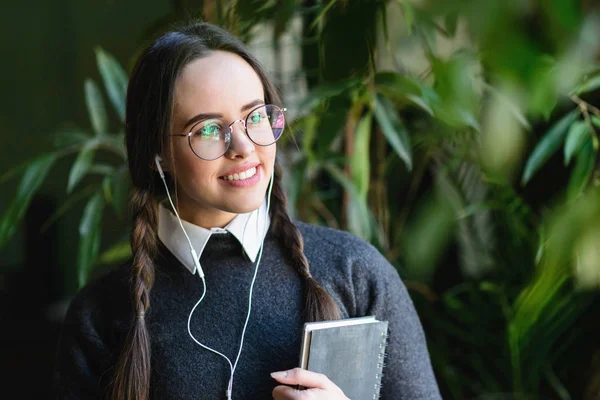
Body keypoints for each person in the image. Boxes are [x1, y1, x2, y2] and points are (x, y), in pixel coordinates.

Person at [53, 21, 442, 400]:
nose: (243, 145)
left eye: (255, 116)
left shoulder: (354, 272)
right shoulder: (102, 315)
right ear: (158, 152)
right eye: (207, 129)